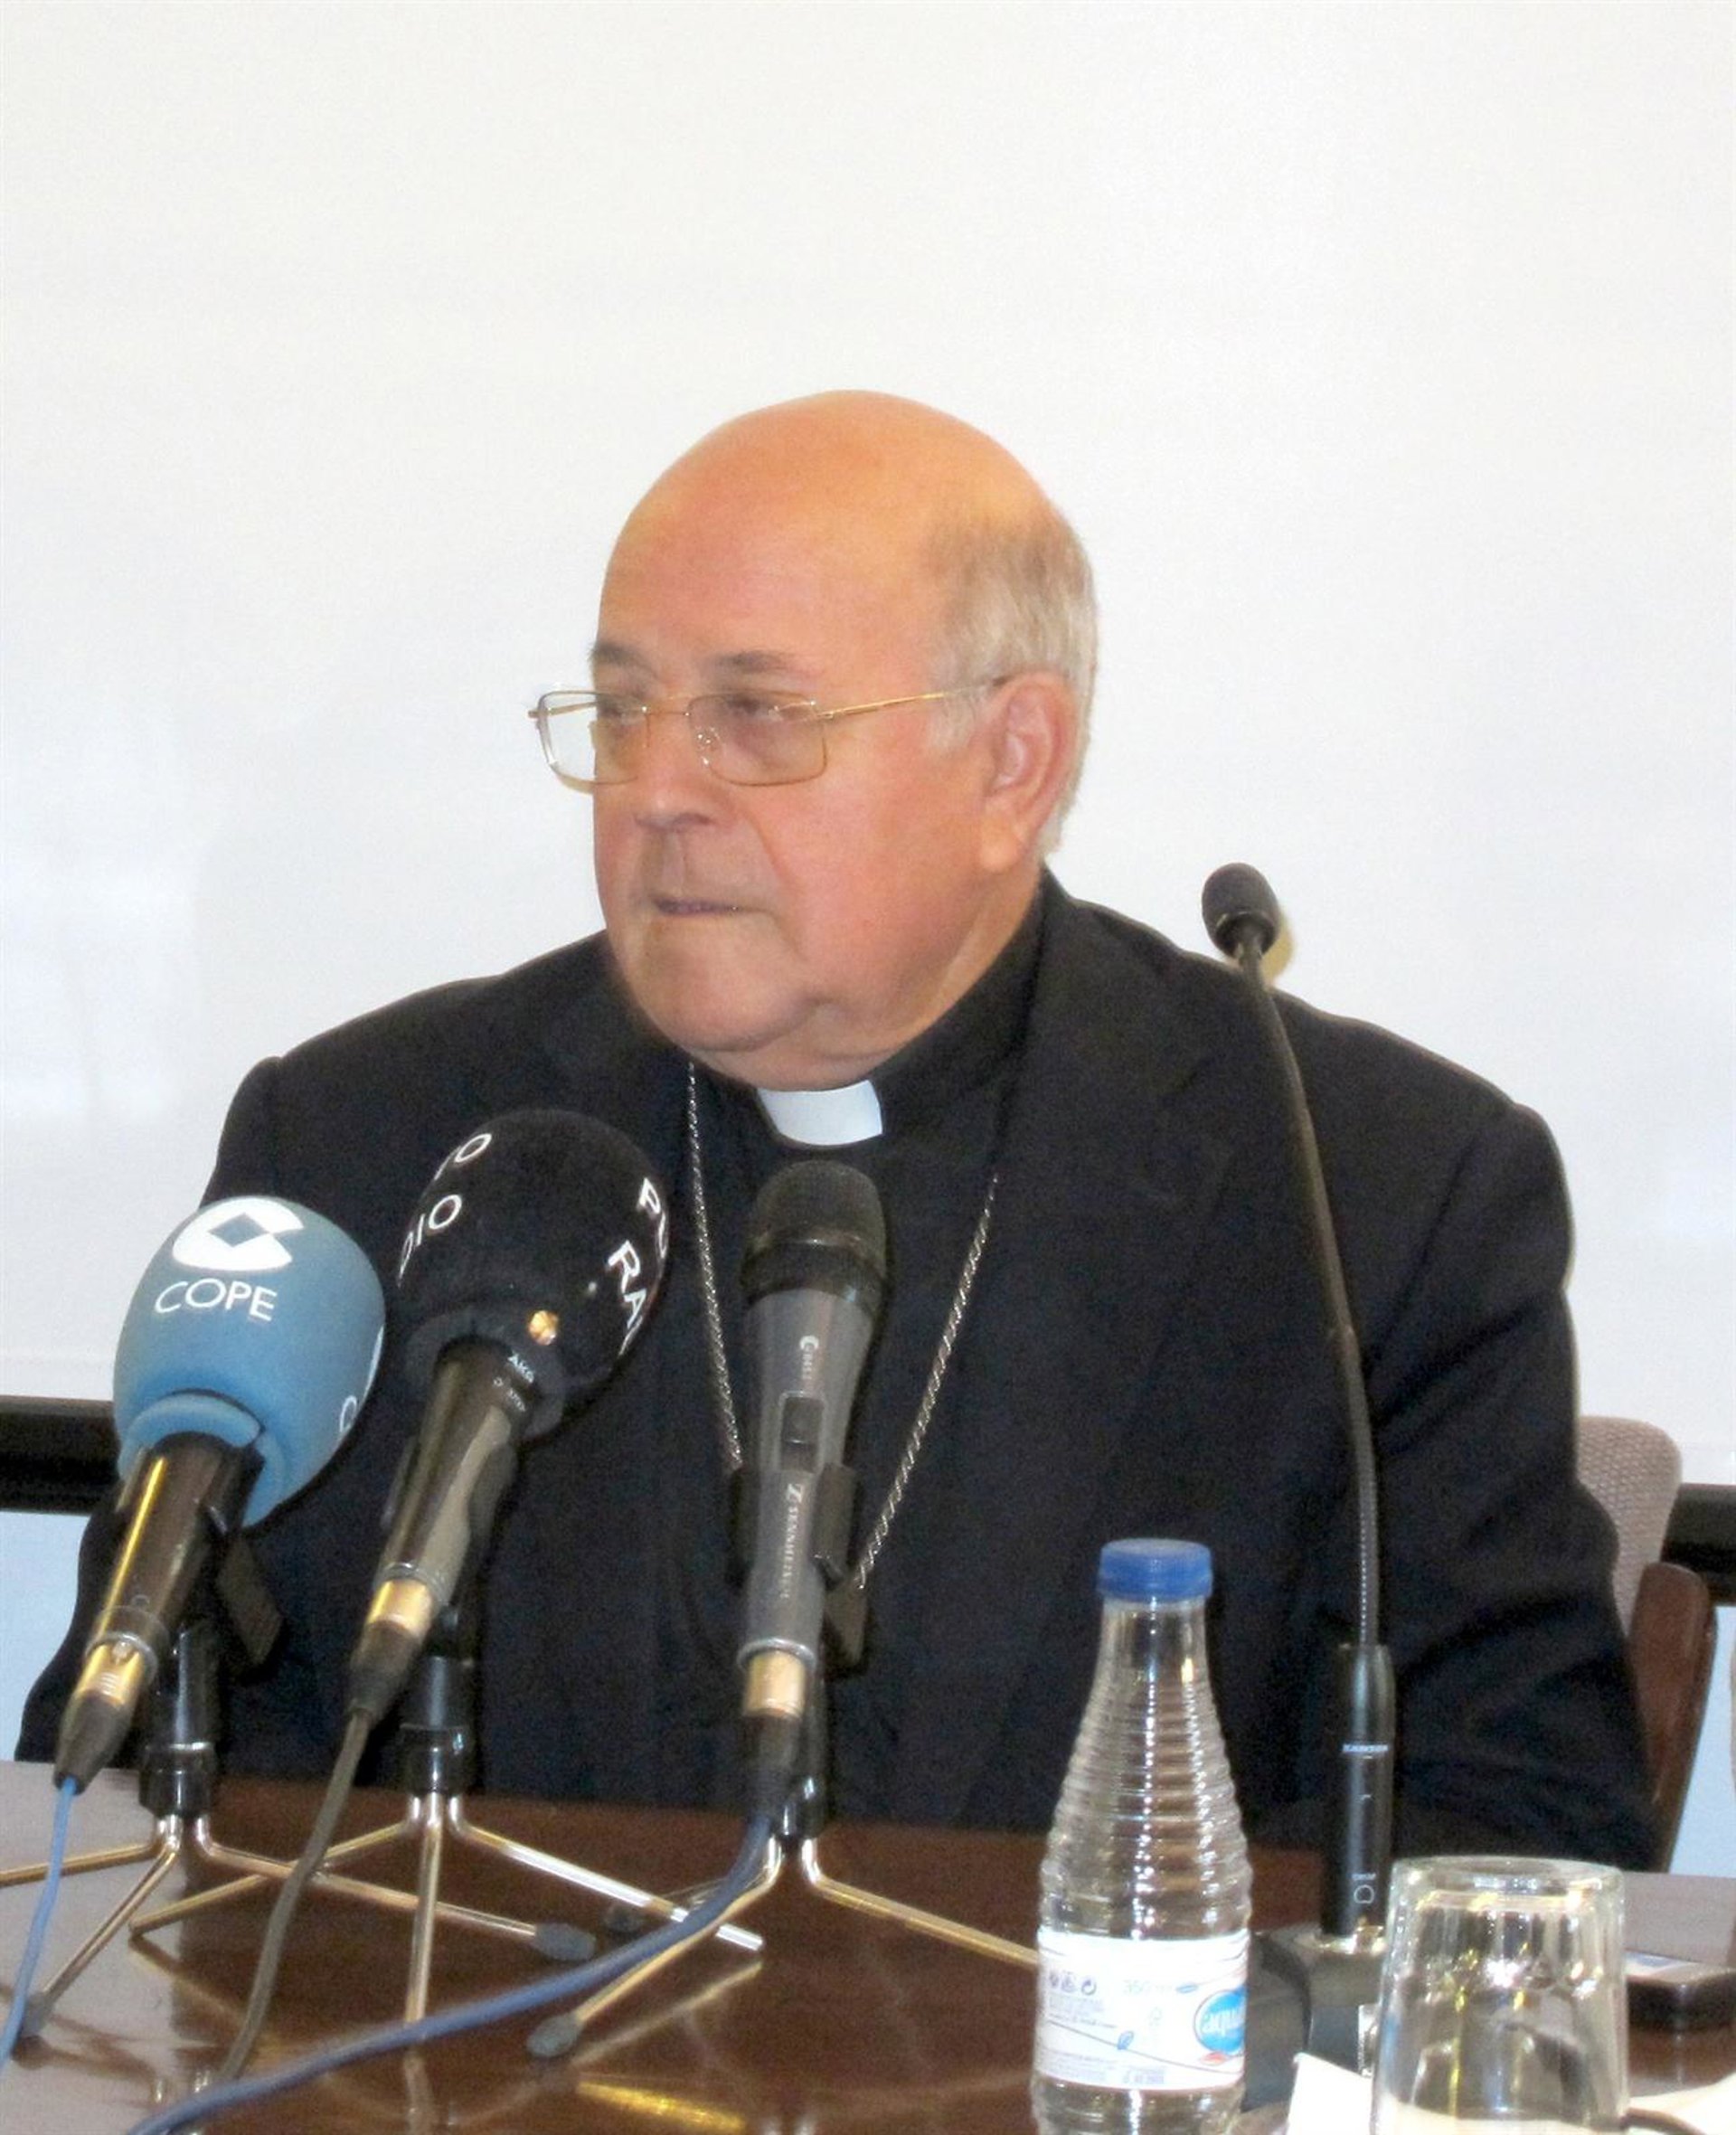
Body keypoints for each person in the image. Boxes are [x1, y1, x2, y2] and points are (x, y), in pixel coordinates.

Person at [21, 392, 1656, 1867]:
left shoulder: (1366, 1196)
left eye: (756, 716)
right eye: (622, 710)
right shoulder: (364, 1145)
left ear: (1014, 762)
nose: (657, 788)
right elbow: (112, 1765)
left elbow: (1514, 1825)